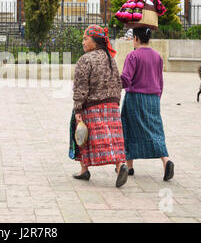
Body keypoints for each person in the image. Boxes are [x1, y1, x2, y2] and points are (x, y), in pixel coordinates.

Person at [72, 24, 129, 188]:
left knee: (84, 136)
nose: (82, 42)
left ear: (95, 42)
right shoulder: (109, 58)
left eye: (85, 39)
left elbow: (80, 86)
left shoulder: (85, 60)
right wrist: (115, 102)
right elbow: (117, 82)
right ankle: (120, 166)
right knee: (113, 137)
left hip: (92, 105)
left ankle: (84, 169)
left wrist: (77, 109)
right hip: (111, 105)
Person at [120, 27, 174, 181]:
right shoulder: (157, 56)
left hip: (135, 98)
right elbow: (160, 81)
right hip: (153, 99)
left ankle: (129, 166)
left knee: (128, 127)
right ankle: (166, 161)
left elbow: (125, 79)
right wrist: (157, 97)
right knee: (156, 130)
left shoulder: (132, 56)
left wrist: (111, 83)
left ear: (136, 38)